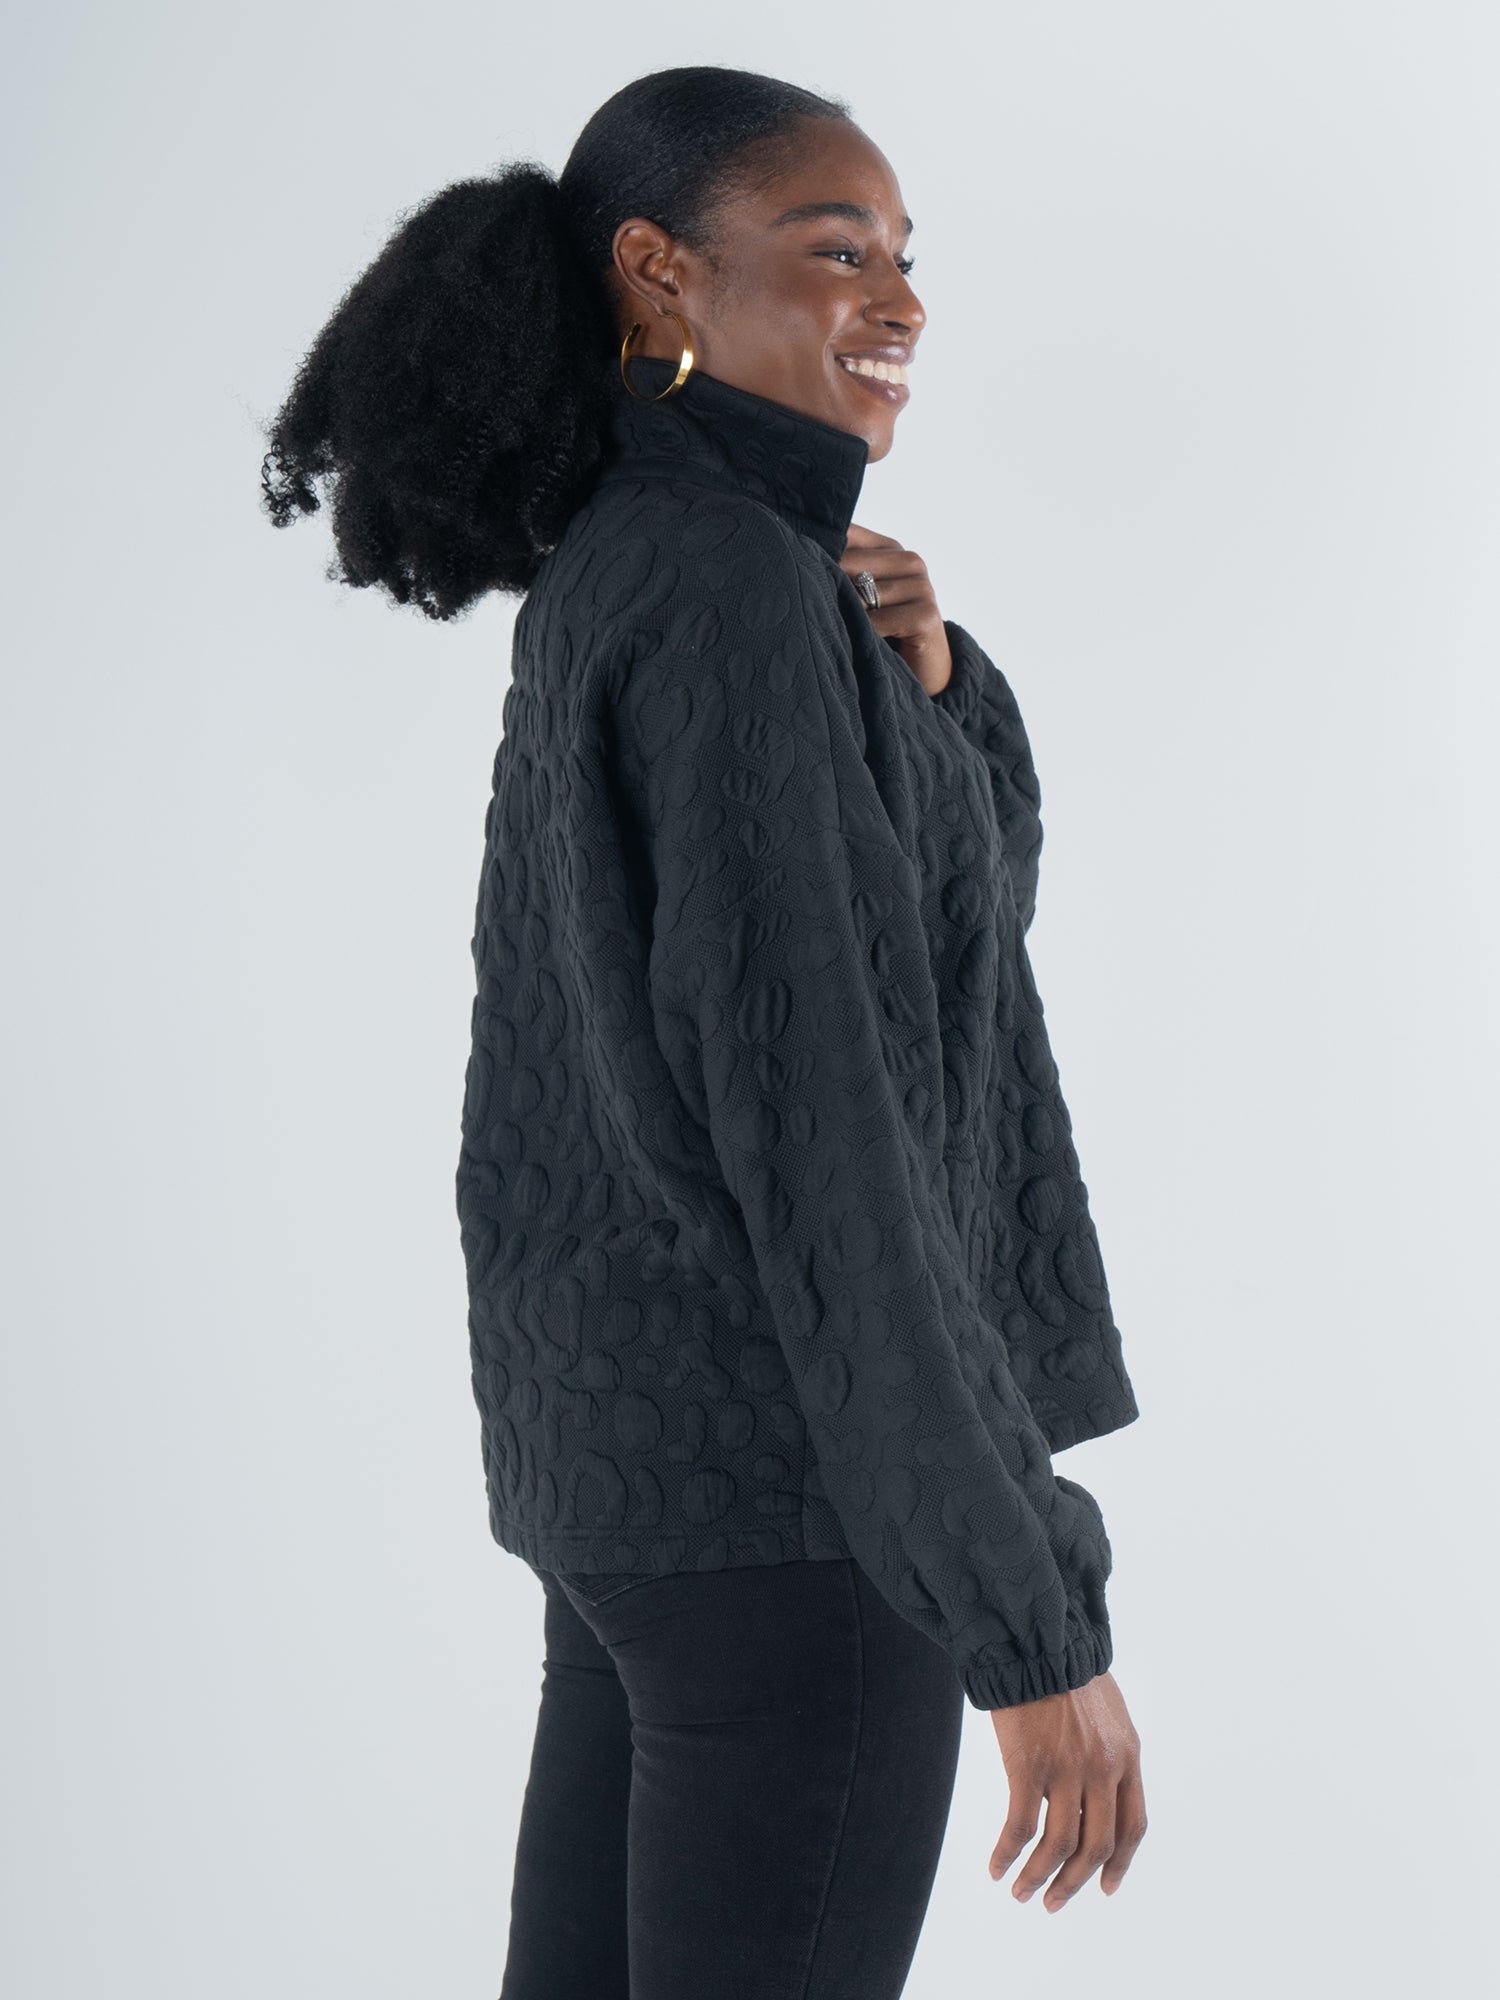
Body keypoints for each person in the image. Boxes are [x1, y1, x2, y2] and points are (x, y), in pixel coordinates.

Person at [261, 62, 1148, 2000]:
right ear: (660, 272)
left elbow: (894, 969)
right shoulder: (732, 589)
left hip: (635, 1503)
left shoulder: (636, 567)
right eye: (840, 252)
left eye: (911, 259)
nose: (899, 302)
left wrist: (927, 686)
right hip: (798, 1517)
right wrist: (1027, 1624)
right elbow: (832, 1126)